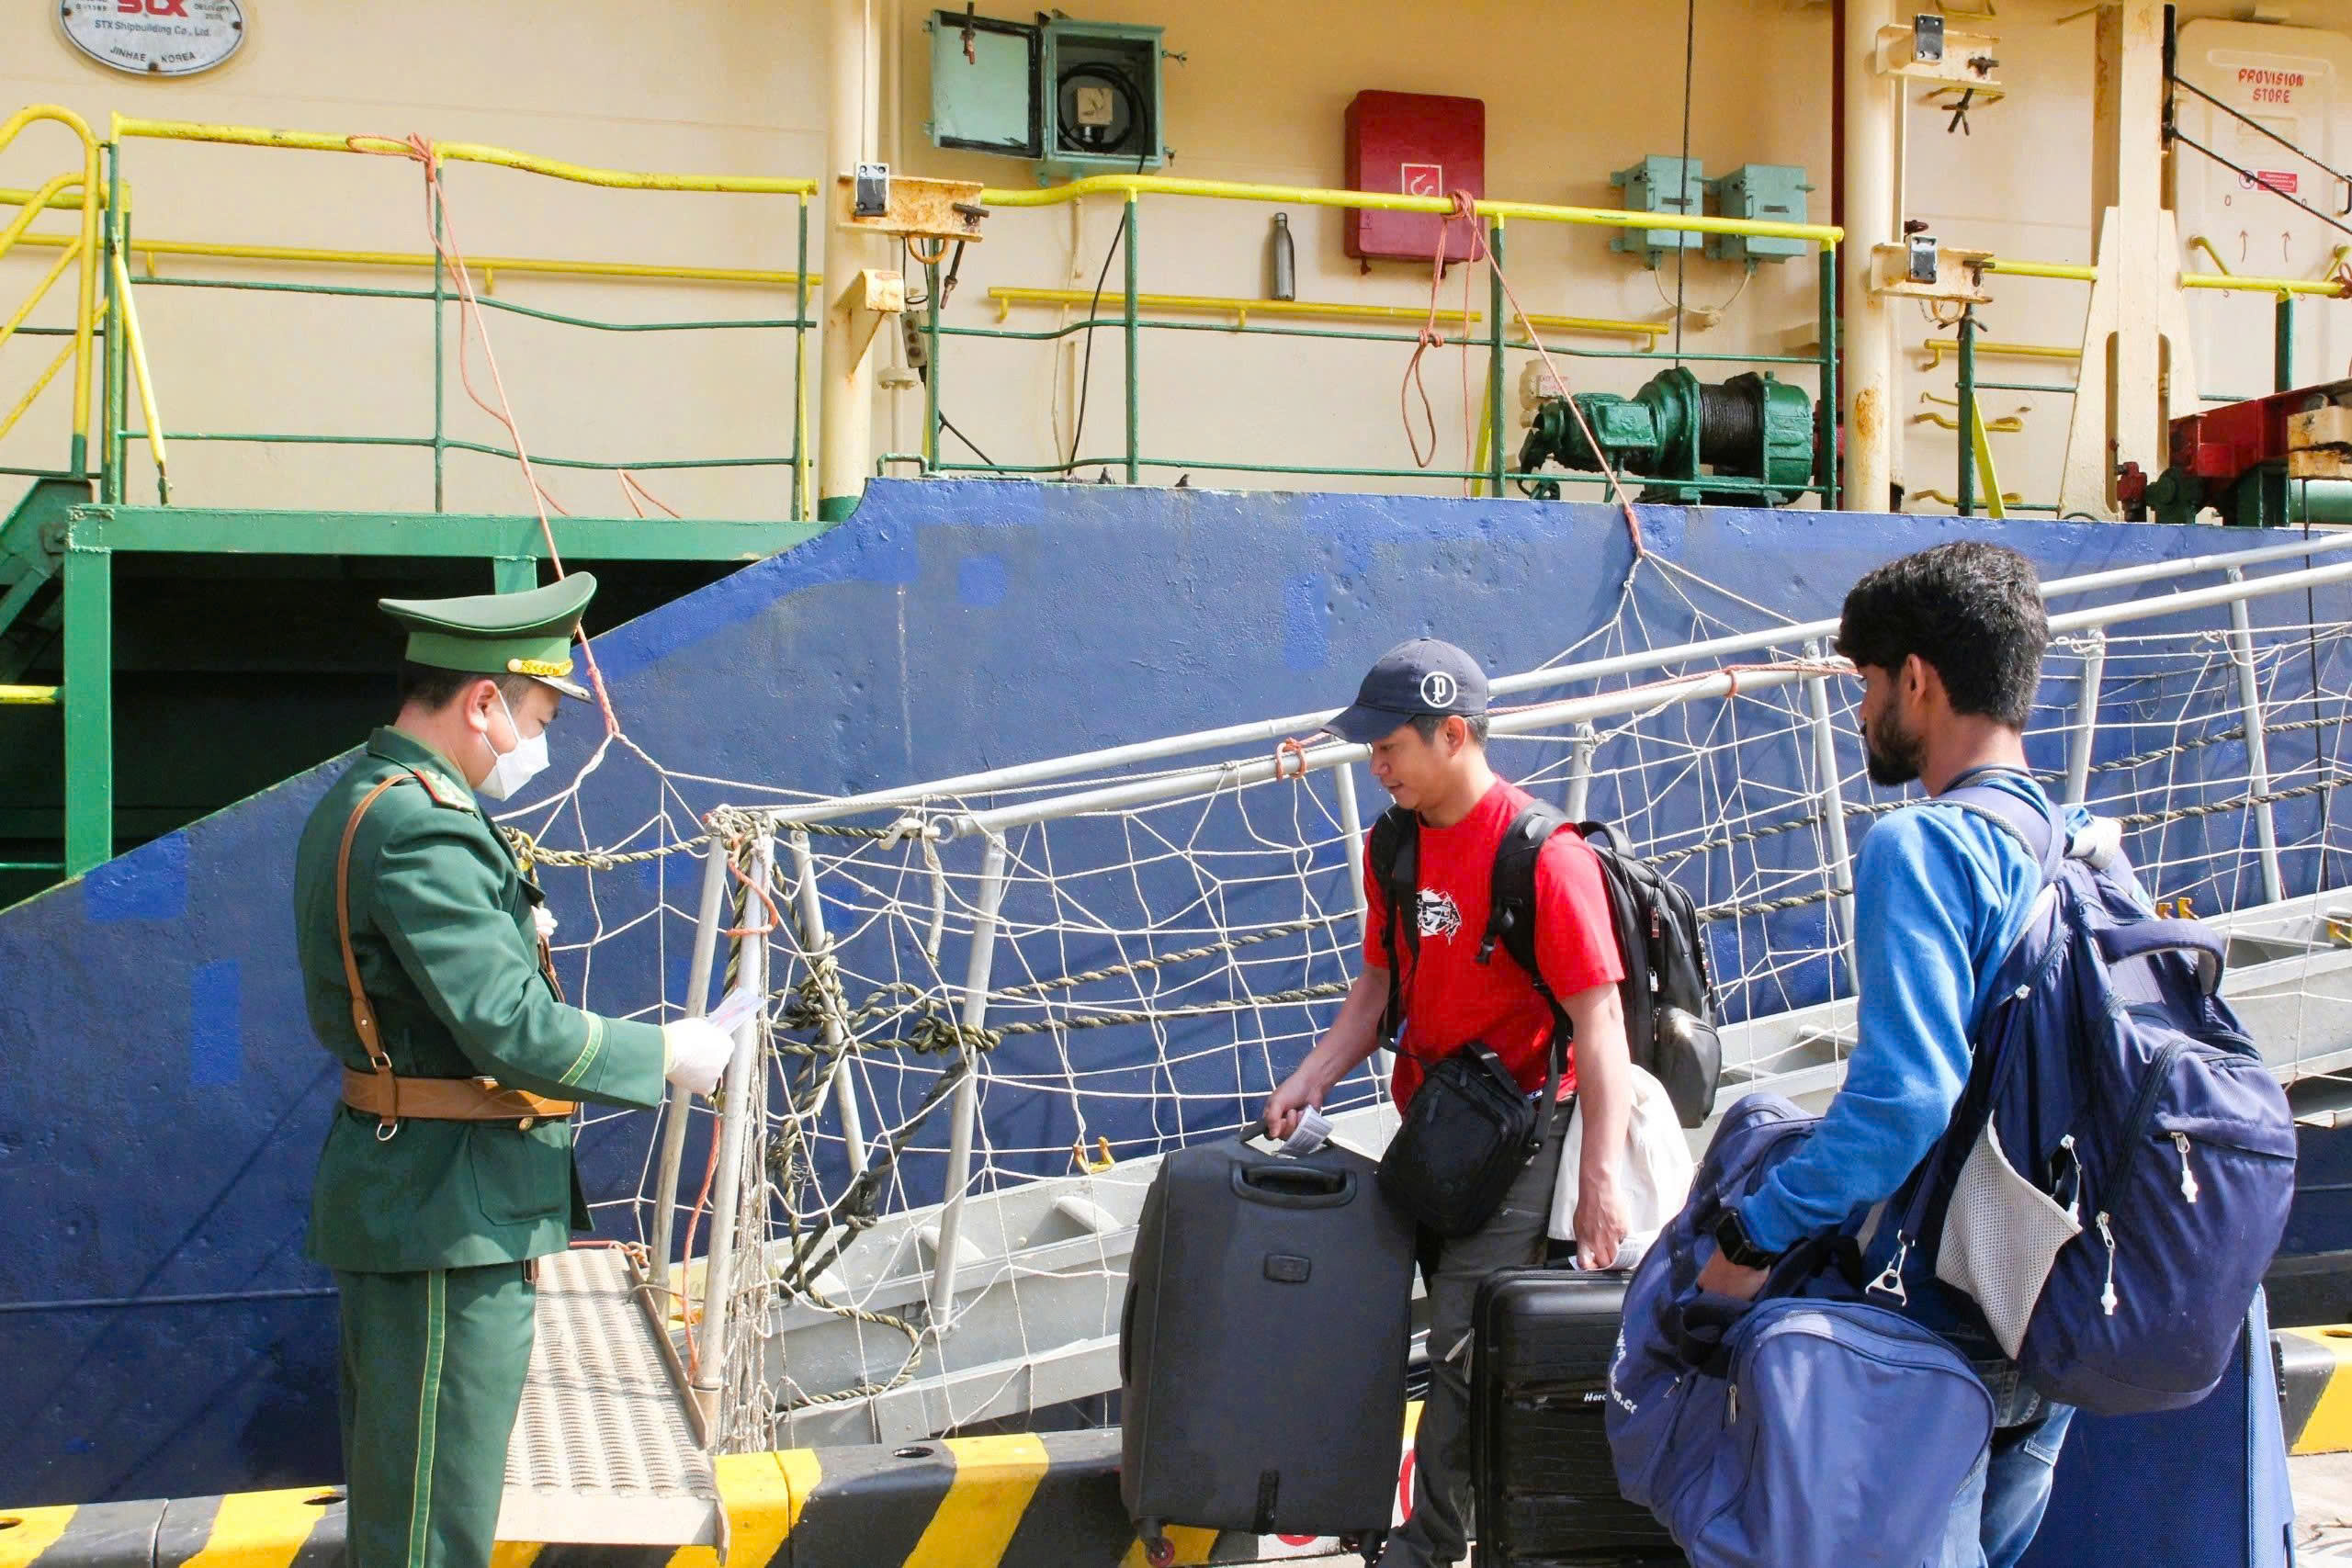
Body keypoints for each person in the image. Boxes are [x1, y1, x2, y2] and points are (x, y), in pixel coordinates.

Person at [291, 573, 735, 1568]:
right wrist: (667, 1053)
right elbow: (509, 1029)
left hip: (426, 1197)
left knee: (417, 1502)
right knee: (431, 1526)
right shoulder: (422, 824)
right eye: (537, 718)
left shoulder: (377, 798)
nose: (538, 743)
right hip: (445, 1213)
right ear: (484, 701)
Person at [1693, 540, 2071, 1568]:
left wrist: (1752, 1236)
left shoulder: (1925, 845)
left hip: (1940, 1321)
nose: (1860, 711)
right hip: (2047, 1313)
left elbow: (1903, 1102)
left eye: (1864, 683)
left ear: (1916, 679)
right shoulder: (2075, 843)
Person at [1263, 637, 1634, 1568]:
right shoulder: (1392, 846)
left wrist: (1599, 1182)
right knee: (1400, 1329)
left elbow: (1601, 1026)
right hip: (1431, 1131)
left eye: (1389, 747)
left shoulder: (1545, 858)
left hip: (1522, 1137)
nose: (1375, 766)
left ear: (1454, 735)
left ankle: (1424, 1550)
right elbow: (1376, 988)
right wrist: (1313, 1076)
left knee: (1464, 1352)